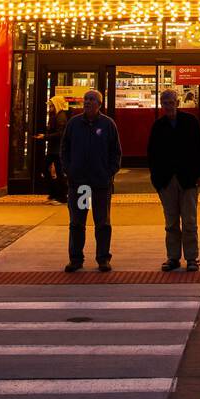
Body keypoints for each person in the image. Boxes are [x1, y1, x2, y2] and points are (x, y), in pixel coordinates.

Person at [60, 88, 122, 272]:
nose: (87, 102)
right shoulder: (74, 124)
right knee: (77, 222)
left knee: (102, 222)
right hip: (80, 184)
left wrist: (109, 172)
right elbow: (65, 148)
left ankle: (103, 258)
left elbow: (116, 152)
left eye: (92, 99)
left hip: (100, 184)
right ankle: (76, 259)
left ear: (99, 104)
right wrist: (69, 170)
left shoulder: (108, 124)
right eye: (86, 99)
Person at [147, 88, 200, 272]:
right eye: (165, 103)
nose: (168, 106)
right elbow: (152, 154)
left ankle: (191, 257)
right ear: (161, 104)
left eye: (171, 103)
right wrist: (157, 180)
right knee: (171, 222)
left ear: (177, 103)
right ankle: (173, 257)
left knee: (189, 221)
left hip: (188, 178)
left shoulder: (190, 122)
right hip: (166, 180)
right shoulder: (158, 126)